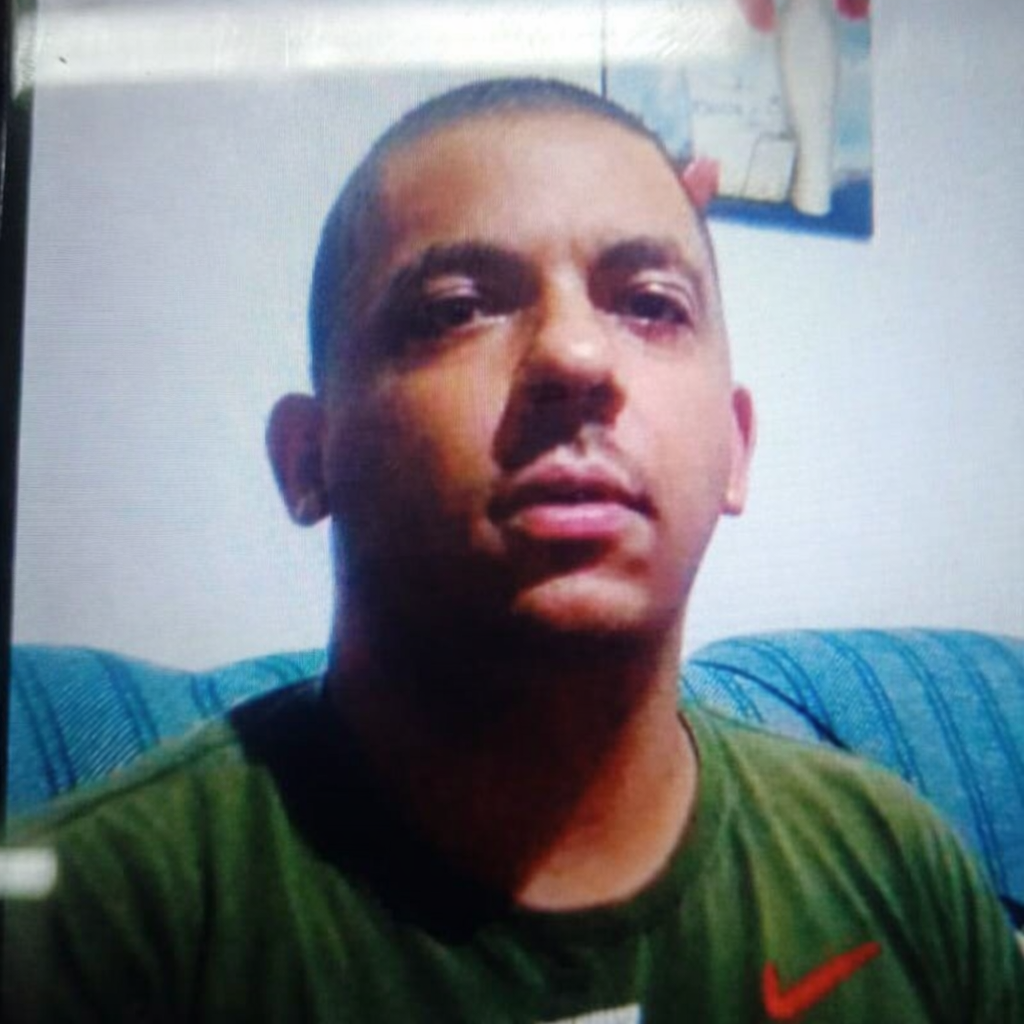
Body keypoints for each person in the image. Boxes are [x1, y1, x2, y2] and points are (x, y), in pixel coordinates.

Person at [4, 77, 1022, 1023]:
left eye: (650, 304)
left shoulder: (900, 868)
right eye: (457, 309)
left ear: (736, 448)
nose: (575, 356)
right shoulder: (81, 930)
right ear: (307, 459)